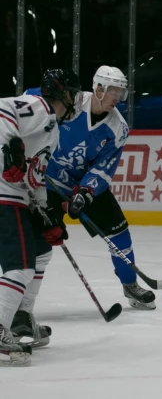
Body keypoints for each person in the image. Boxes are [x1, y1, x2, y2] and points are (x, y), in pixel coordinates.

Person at [37, 66, 156, 311]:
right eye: (113, 91)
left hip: (82, 185)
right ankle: (20, 301)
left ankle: (130, 284)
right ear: (99, 88)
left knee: (119, 231)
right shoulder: (70, 101)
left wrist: (85, 191)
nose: (117, 98)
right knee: (42, 237)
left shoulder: (118, 128)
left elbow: (104, 167)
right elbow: (32, 101)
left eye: (121, 92)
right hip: (47, 181)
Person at [0, 69, 81, 366]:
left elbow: (35, 176)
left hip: (18, 198)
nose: (76, 100)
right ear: (63, 93)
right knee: (20, 267)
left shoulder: (53, 129)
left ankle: (22, 317)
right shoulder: (39, 106)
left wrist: (46, 213)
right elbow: (1, 109)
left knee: (42, 251)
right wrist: (10, 150)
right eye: (74, 93)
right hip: (3, 196)